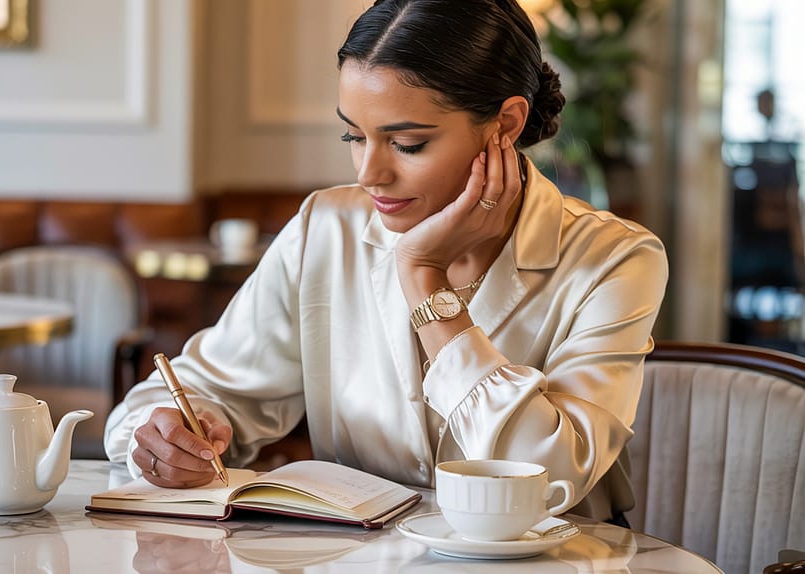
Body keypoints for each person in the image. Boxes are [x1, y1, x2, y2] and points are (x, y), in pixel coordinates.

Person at [105, 0, 668, 524]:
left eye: (408, 144)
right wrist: (166, 438)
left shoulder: (614, 260)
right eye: (354, 135)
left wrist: (426, 280)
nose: (368, 174)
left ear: (506, 124)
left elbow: (549, 478)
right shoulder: (325, 228)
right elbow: (199, 388)